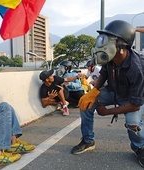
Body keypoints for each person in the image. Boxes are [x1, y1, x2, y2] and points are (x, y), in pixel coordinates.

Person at [71, 20, 144, 168]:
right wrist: (94, 92)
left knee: (133, 124)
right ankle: (88, 140)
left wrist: (107, 112)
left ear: (122, 44)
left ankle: (140, 148)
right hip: (113, 92)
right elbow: (104, 73)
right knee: (86, 104)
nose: (101, 44)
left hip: (132, 100)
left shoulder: (136, 68)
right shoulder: (111, 59)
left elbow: (135, 105)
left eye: (106, 40)